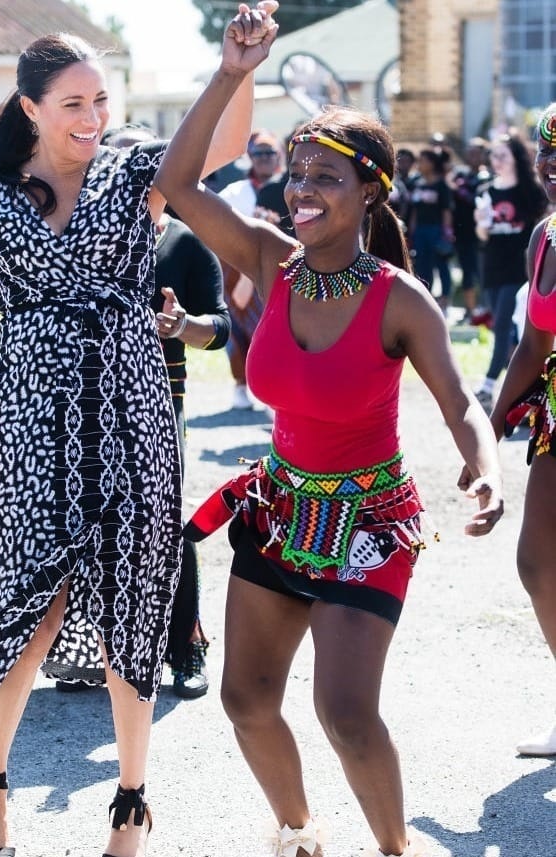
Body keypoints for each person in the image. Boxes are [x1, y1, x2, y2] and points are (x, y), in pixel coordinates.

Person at [0, 6, 276, 856]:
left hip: (133, 417)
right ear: (32, 106)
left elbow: (219, 147)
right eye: (73, 103)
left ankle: (129, 805)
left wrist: (236, 69)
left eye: (101, 101)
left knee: (132, 606)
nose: (92, 118)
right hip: (31, 424)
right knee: (29, 606)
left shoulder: (134, 175)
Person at [155, 37, 504, 857]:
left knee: (346, 714)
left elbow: (459, 401)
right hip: (279, 512)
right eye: (297, 175)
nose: (301, 191)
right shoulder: (271, 263)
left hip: (369, 522)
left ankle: (394, 850)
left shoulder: (400, 300)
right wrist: (232, 73)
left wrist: (485, 468)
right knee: (244, 699)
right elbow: (175, 185)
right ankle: (299, 834)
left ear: (370, 191)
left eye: (325, 177)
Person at [44, 121, 232, 700]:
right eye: (118, 160)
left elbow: (222, 328)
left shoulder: (183, 240)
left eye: (145, 161)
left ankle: (185, 650)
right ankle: (89, 650)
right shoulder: (72, 236)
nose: (131, 172)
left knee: (161, 529)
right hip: (80, 405)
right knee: (81, 525)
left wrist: (182, 326)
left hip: (156, 405)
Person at [470, 103, 556, 757]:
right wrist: (486, 440)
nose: (552, 165)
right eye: (546, 151)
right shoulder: (543, 236)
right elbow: (532, 345)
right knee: (539, 562)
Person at [473, 133, 548, 413]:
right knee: (504, 328)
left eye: (503, 155)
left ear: (516, 157)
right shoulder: (487, 190)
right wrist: (481, 223)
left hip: (520, 268)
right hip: (492, 266)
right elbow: (482, 235)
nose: (497, 161)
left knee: (504, 323)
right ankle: (525, 388)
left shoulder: (530, 191)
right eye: (494, 156)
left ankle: (489, 385)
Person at [220, 128, 283, 410]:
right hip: (238, 267)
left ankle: (274, 387)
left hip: (279, 267)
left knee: (275, 328)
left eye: (270, 153)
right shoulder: (235, 192)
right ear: (250, 157)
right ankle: (240, 384)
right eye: (259, 153)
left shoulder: (292, 189)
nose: (265, 159)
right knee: (236, 327)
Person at [408, 148, 455, 313]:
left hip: (436, 230)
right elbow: (414, 210)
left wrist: (446, 233)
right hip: (420, 230)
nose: (419, 164)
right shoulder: (417, 183)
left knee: (441, 264)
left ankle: (445, 298)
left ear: (432, 163)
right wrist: (412, 231)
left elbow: (446, 211)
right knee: (422, 264)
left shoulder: (442, 185)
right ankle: (426, 296)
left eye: (423, 160)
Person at [450, 137, 491, 323]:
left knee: (483, 273)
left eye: (477, 152)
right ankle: (470, 310)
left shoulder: (489, 178)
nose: (473, 156)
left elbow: (477, 198)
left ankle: (487, 310)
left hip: (483, 236)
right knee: (467, 273)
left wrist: (463, 191)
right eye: (470, 152)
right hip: (463, 233)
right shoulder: (460, 175)